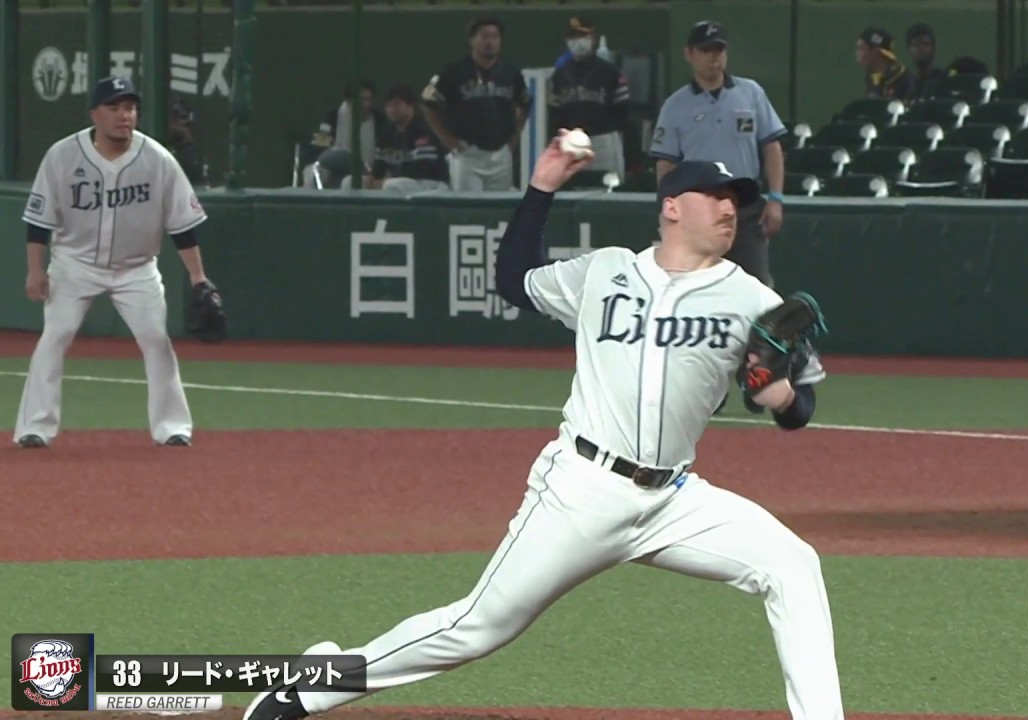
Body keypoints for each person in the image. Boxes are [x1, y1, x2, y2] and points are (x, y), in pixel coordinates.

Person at [239, 130, 844, 720]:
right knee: (475, 627)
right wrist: (541, 188)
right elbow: (513, 280)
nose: (729, 208)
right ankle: (310, 690)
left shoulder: (752, 298)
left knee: (792, 565)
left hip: (673, 500)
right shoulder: (606, 272)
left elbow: (799, 406)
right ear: (671, 207)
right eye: (714, 195)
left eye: (735, 198)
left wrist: (784, 398)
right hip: (582, 490)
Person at [14, 76, 214, 449]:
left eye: (131, 108)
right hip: (74, 263)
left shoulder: (157, 159)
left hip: (136, 268)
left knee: (156, 339)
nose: (125, 115)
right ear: (95, 114)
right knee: (55, 336)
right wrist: (35, 269)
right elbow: (38, 219)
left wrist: (198, 278)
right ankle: (35, 427)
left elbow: (183, 226)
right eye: (115, 107)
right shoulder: (62, 155)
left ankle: (172, 426)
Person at [649, 20, 787, 289]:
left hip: (745, 206)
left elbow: (772, 147)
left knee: (756, 286)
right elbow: (666, 164)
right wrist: (667, 207)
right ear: (689, 54)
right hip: (697, 210)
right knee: (695, 285)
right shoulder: (675, 105)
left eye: (719, 50)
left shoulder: (750, 93)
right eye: (706, 50)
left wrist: (776, 199)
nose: (714, 57)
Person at [422, 17, 531, 191]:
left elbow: (525, 104)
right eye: (484, 36)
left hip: (501, 152)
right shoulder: (454, 72)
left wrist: (514, 139)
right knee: (469, 206)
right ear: (472, 40)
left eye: (495, 36)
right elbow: (428, 104)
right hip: (467, 153)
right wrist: (447, 139)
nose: (490, 42)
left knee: (498, 206)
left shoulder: (511, 73)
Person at [548, 16, 629, 175]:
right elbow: (555, 114)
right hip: (571, 142)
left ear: (593, 37)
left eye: (582, 35)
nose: (578, 41)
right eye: (573, 37)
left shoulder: (609, 71)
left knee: (609, 184)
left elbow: (622, 112)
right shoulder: (560, 74)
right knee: (574, 186)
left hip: (603, 139)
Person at [366, 83, 451, 192]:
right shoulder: (386, 132)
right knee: (352, 182)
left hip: (432, 184)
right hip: (402, 183)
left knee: (390, 184)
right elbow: (378, 168)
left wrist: (384, 181)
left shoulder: (424, 129)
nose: (392, 110)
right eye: (388, 106)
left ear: (410, 106)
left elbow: (421, 170)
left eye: (396, 104)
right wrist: (371, 179)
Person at [857, 27, 910, 99]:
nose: (857, 54)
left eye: (861, 49)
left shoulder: (907, 82)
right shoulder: (871, 81)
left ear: (875, 52)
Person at [903, 23, 947, 103]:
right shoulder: (906, 85)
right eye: (915, 45)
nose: (920, 49)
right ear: (909, 50)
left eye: (925, 44)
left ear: (933, 48)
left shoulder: (944, 81)